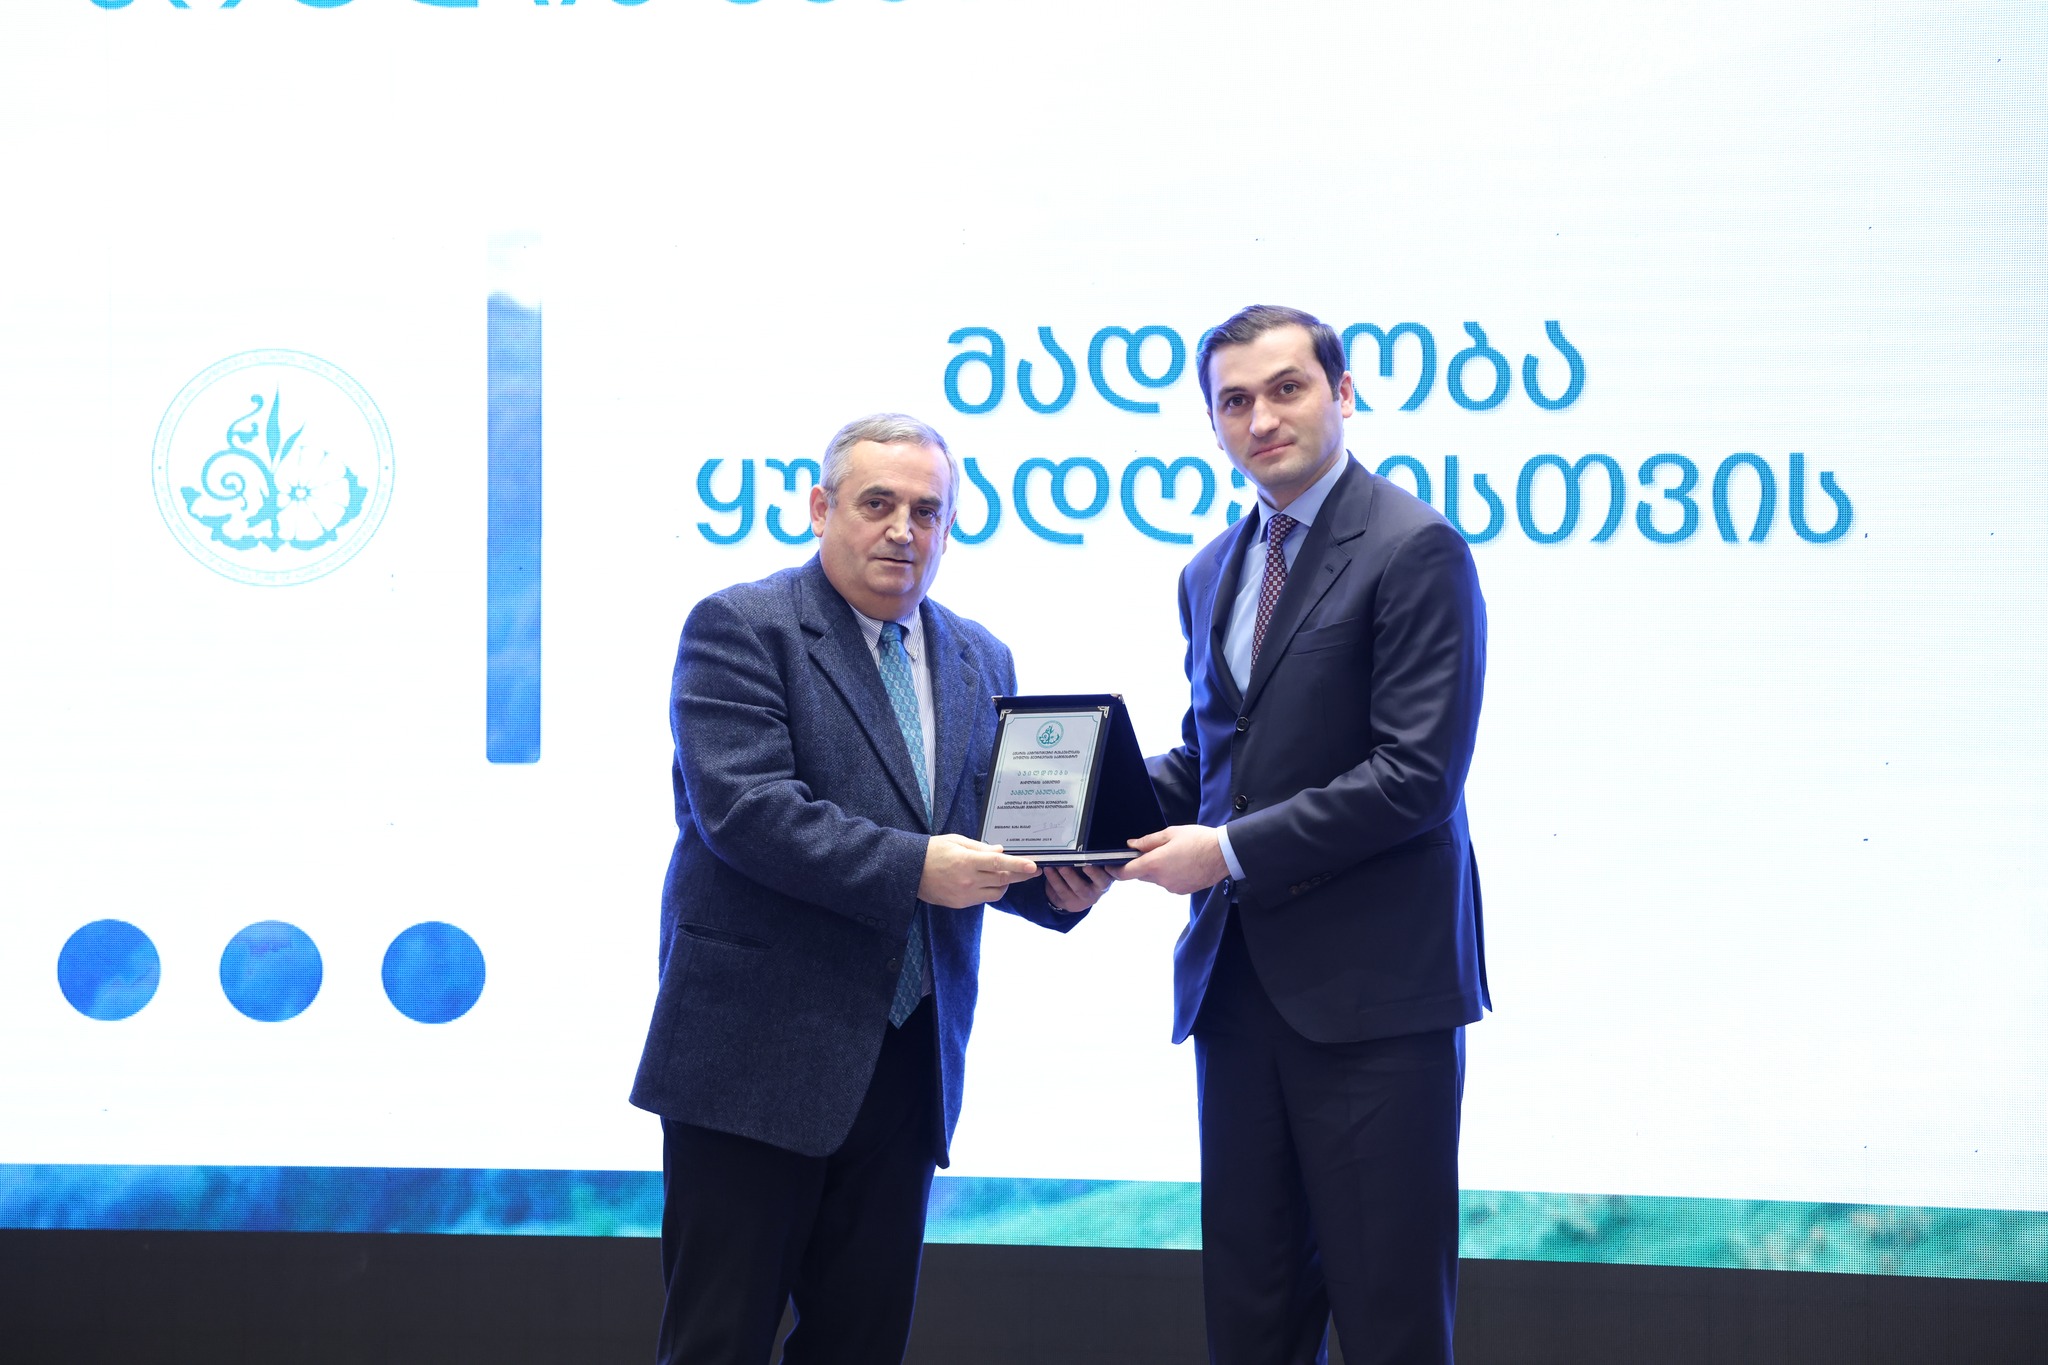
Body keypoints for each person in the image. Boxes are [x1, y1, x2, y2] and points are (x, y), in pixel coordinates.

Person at [629, 413, 1113, 1365]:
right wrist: (918, 866)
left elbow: (984, 833)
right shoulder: (741, 626)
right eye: (878, 503)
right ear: (821, 508)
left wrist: (1056, 885)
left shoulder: (980, 655)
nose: (903, 529)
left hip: (907, 1061)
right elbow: (747, 811)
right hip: (755, 1057)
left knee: (862, 1344)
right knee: (718, 1343)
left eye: (927, 511)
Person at [1116, 306, 1490, 1365]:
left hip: (1375, 1002)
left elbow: (1415, 777)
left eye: (1286, 388)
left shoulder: (1415, 547)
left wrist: (1225, 851)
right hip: (1237, 992)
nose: (1261, 418)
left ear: (1343, 393)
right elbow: (1214, 763)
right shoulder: (1209, 570)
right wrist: (1088, 825)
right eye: (1234, 401)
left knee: (1387, 1319)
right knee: (1252, 1315)